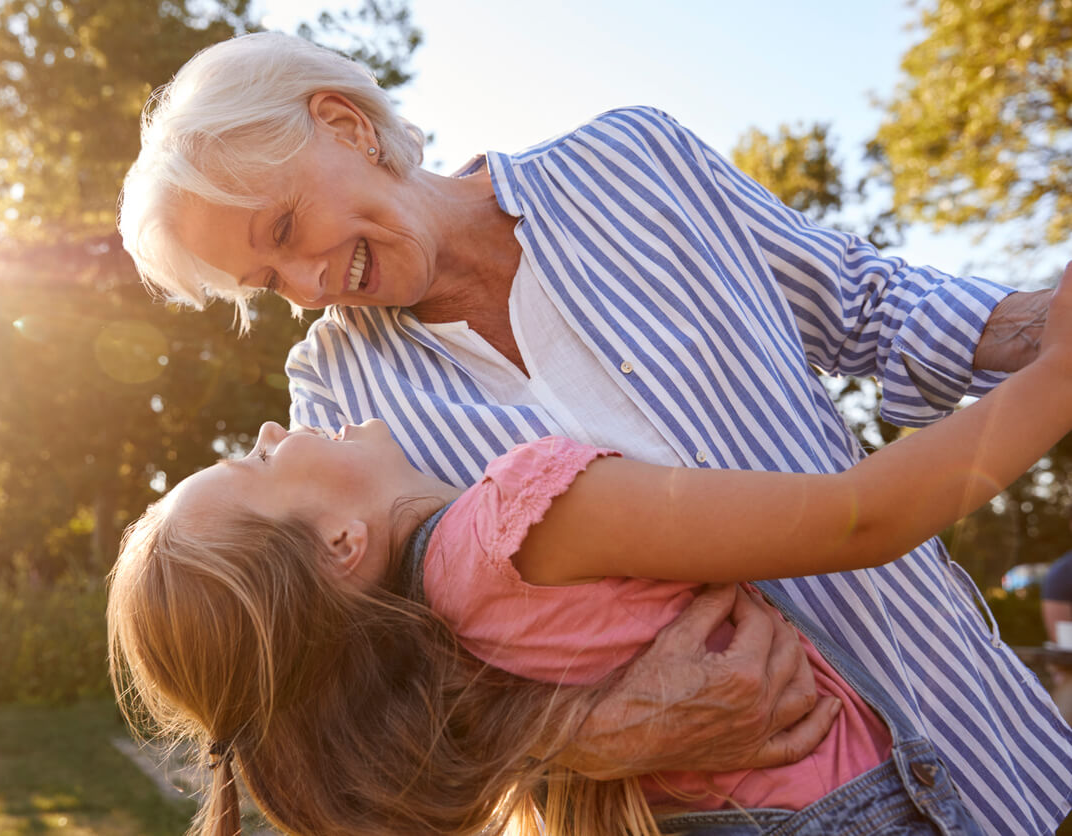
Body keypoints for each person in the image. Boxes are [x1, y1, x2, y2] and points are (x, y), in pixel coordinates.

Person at [117, 32, 1072, 833]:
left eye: (286, 228)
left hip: (966, 724)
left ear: (346, 124)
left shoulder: (631, 161)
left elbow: (871, 305)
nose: (307, 284)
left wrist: (1049, 330)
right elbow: (372, 688)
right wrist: (578, 736)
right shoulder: (335, 396)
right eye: (268, 283)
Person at [107, 276, 1072, 835]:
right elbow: (859, 520)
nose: (273, 429)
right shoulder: (527, 509)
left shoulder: (442, 634)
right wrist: (1059, 374)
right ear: (340, 543)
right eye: (255, 461)